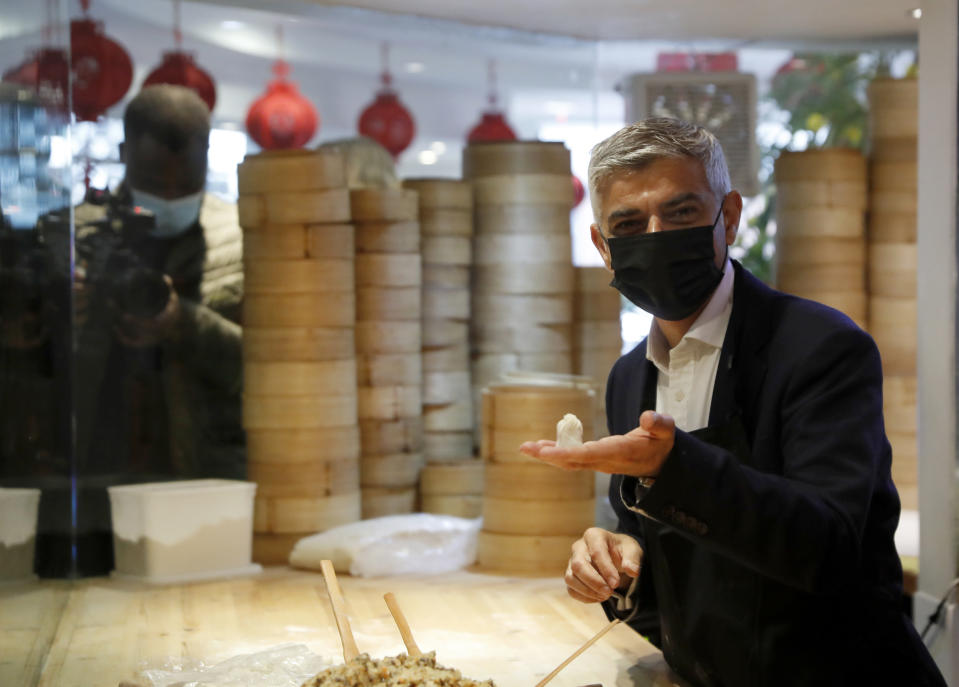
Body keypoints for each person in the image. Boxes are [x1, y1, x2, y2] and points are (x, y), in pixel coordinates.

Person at [520, 118, 944, 686]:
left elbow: (831, 546)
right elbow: (651, 552)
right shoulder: (629, 376)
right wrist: (613, 562)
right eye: (628, 223)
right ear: (603, 246)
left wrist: (674, 468)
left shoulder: (819, 349)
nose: (656, 234)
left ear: (730, 216)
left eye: (681, 213)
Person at [57, 84, 243, 575]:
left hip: (207, 478)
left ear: (207, 155)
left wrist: (185, 323)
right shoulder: (74, 236)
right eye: (152, 177)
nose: (167, 192)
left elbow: (278, 372)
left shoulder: (245, 237)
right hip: (89, 480)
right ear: (123, 154)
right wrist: (55, 316)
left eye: (184, 180)